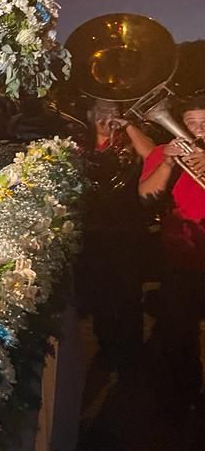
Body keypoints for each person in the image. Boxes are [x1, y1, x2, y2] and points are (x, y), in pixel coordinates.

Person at [75, 101, 154, 381]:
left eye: (111, 113)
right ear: (90, 116)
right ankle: (107, 349)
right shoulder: (79, 146)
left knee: (128, 293)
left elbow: (152, 154)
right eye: (100, 113)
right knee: (101, 294)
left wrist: (128, 126)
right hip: (94, 231)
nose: (105, 118)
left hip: (126, 231)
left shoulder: (128, 146)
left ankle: (132, 353)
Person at [139, 91, 205, 416]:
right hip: (181, 258)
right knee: (180, 333)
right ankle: (186, 395)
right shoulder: (164, 152)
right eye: (191, 124)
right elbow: (146, 196)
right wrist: (167, 163)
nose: (197, 131)